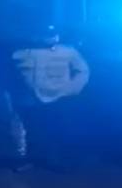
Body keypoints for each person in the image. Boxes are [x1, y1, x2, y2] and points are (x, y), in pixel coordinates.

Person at [9, 25, 90, 169]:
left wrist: (71, 89)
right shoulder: (21, 52)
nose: (50, 37)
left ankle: (61, 160)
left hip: (59, 98)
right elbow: (12, 74)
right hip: (31, 99)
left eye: (53, 34)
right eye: (46, 34)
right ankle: (32, 159)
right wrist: (16, 92)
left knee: (60, 129)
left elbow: (83, 71)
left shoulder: (68, 52)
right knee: (32, 129)